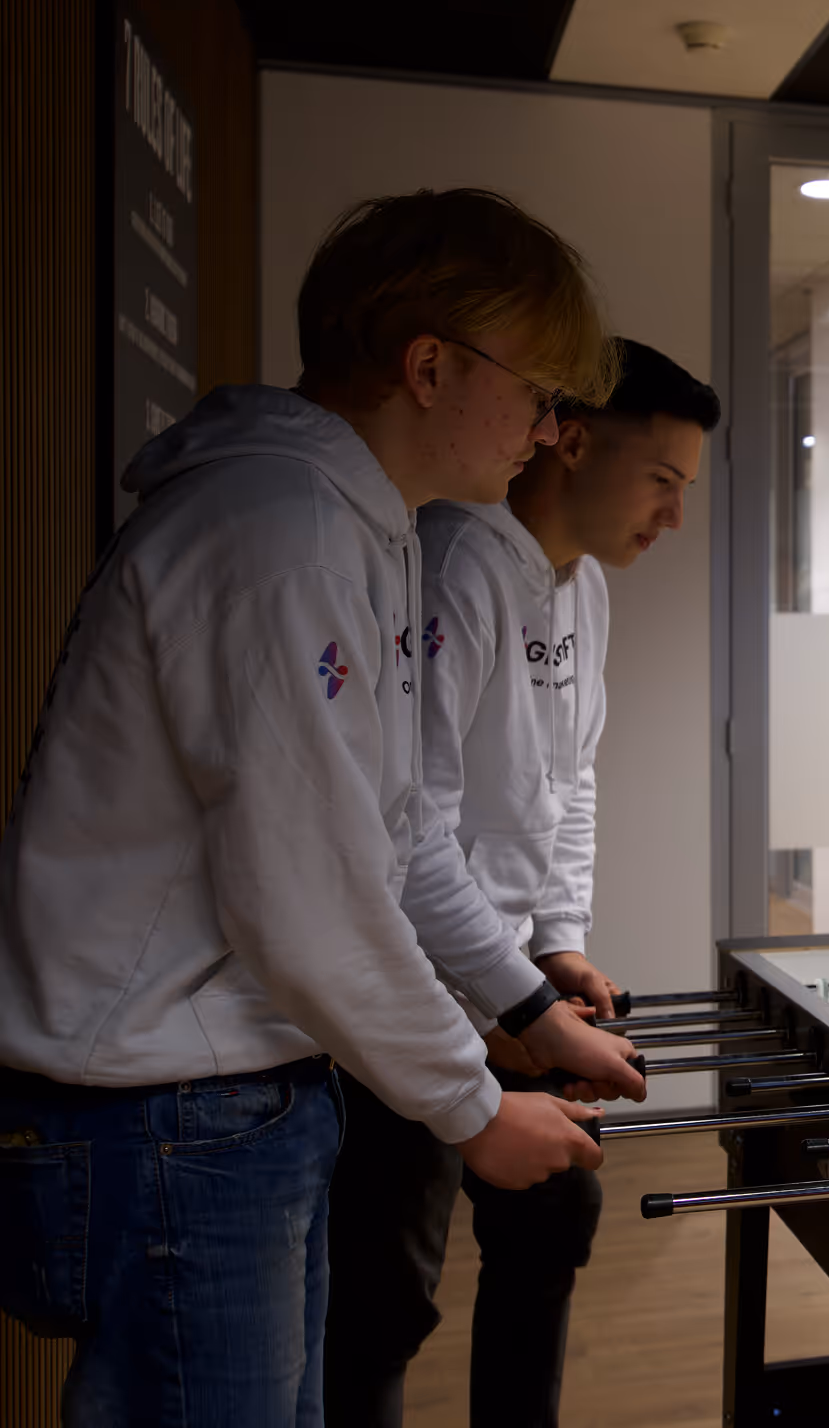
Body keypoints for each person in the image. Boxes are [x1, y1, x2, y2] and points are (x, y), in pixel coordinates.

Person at [0, 188, 643, 1426]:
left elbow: (400, 836)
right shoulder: (278, 533)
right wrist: (471, 1104)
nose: (553, 430)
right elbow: (305, 893)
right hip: (168, 1115)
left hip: (241, 1097)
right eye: (544, 394)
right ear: (429, 365)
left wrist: (526, 1012)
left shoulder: (367, 530)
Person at [328, 339, 718, 1426]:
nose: (672, 518)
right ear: (575, 439)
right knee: (382, 1296)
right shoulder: (455, 563)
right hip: (407, 994)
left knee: (556, 1210)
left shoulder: (583, 584)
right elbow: (414, 842)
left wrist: (558, 940)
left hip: (501, 983)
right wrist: (533, 1005)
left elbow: (569, 780)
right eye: (661, 482)